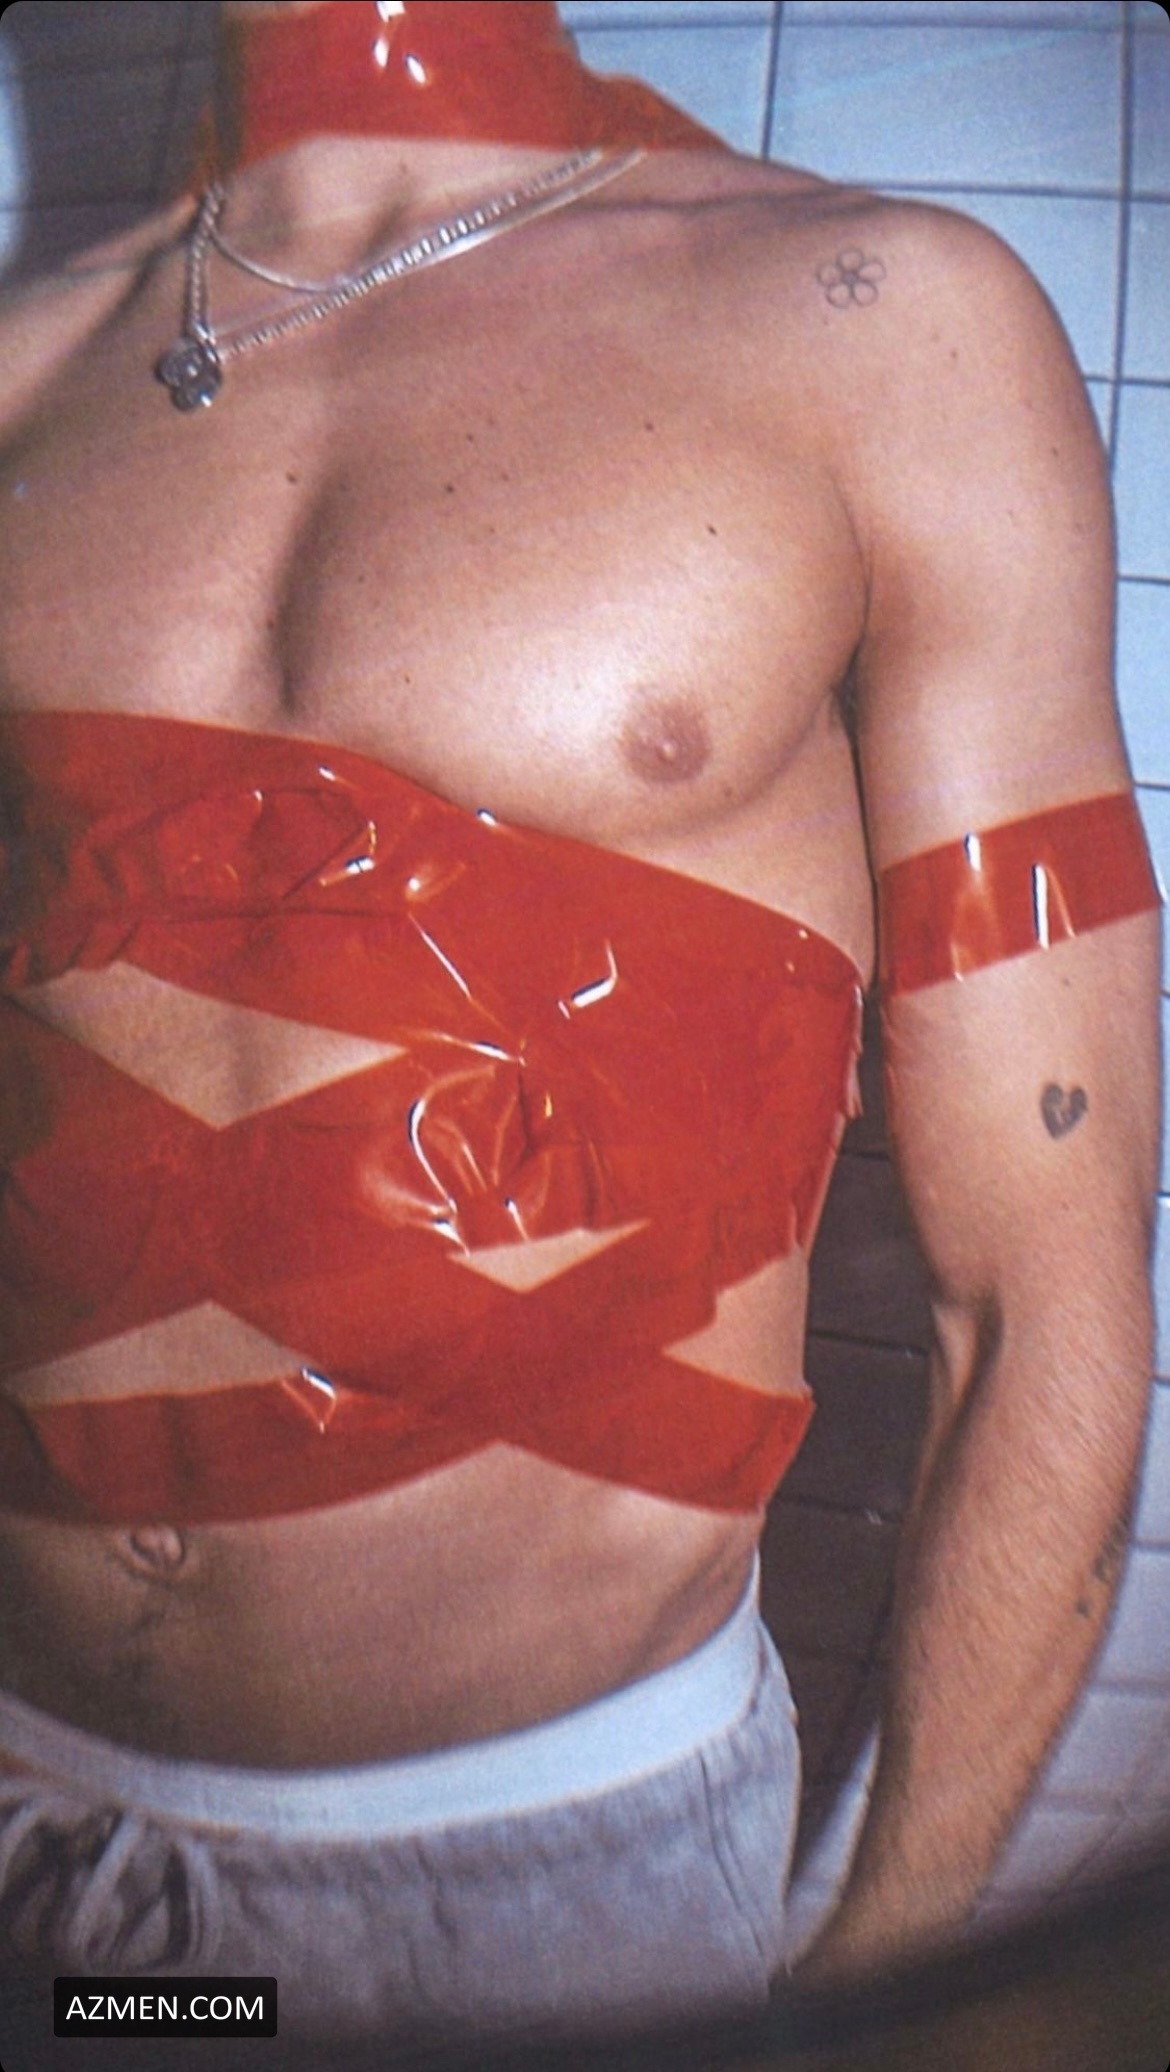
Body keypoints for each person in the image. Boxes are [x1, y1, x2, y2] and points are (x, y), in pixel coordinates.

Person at [0, 0, 1159, 2048]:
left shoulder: (874, 323)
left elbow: (1038, 1298)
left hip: (530, 1885)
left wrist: (883, 1979)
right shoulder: (27, 369)